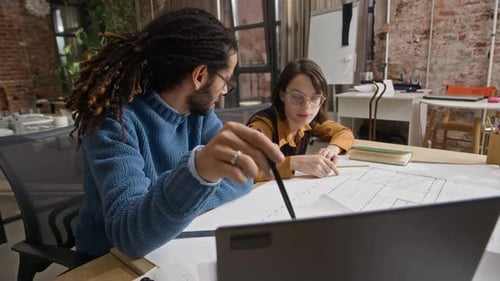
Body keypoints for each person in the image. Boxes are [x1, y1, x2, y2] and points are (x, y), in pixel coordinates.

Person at [65, 8, 284, 258]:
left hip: (172, 242)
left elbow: (242, 179)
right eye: (226, 80)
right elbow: (129, 236)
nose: (225, 91)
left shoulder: (199, 115)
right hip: (109, 261)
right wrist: (195, 176)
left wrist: (177, 199)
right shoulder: (113, 122)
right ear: (200, 75)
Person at [247, 58, 354, 182]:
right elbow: (246, 169)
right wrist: (293, 163)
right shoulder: (263, 125)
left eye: (314, 98)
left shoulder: (308, 122)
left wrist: (331, 150)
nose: (306, 107)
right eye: (297, 97)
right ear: (282, 95)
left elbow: (344, 133)